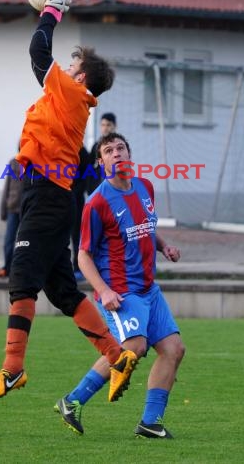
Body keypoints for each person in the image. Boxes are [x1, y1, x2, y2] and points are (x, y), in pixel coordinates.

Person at [0, 0, 137, 404]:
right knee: (62, 290)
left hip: (48, 196)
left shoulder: (71, 92)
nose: (63, 71)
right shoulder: (68, 98)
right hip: (47, 194)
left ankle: (13, 369)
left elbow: (37, 52)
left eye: (70, 67)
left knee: (22, 275)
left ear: (80, 75)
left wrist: (54, 8)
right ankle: (117, 356)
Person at [54, 132, 185, 439]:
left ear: (129, 154)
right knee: (134, 347)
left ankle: (150, 423)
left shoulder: (145, 186)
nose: (117, 153)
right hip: (120, 291)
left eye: (121, 148)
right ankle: (72, 401)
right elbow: (83, 255)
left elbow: (146, 227)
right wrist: (104, 291)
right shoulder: (97, 203)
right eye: (109, 151)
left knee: (174, 350)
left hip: (149, 290)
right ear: (101, 163)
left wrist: (164, 246)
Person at [0, 154, 24, 278]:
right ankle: (7, 267)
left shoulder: (36, 164)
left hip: (28, 209)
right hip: (13, 208)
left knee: (25, 243)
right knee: (9, 240)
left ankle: (23, 269)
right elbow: (7, 187)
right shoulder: (13, 162)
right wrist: (3, 210)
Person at [71, 145, 90, 280]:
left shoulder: (81, 151)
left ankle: (78, 267)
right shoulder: (58, 147)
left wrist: (75, 192)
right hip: (58, 198)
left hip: (76, 200)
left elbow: (86, 177)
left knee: (77, 235)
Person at [87, 112, 117, 194]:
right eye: (103, 125)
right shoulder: (96, 146)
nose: (105, 128)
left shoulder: (119, 147)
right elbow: (90, 168)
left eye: (108, 125)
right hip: (97, 190)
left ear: (114, 126)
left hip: (113, 190)